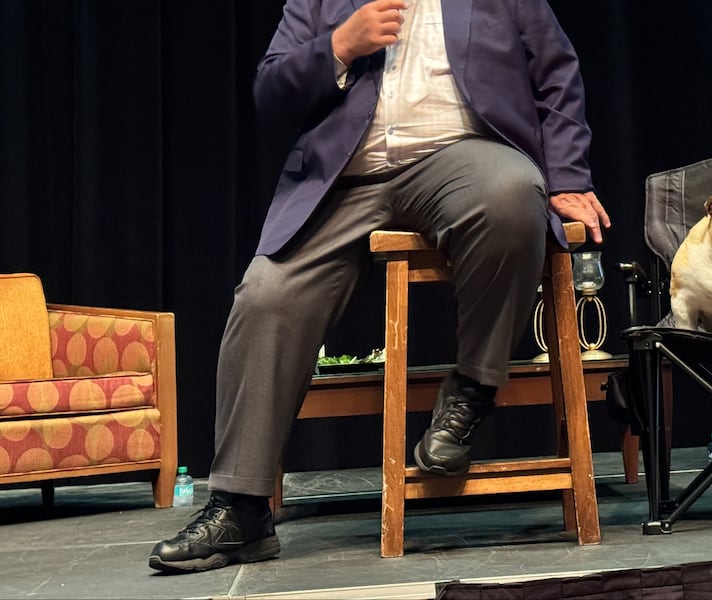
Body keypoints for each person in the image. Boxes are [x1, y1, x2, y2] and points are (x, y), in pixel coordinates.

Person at [148, 0, 610, 573]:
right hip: (348, 177)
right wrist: (339, 45)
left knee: (515, 194)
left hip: (461, 157)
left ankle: (469, 393)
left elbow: (557, 74)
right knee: (267, 294)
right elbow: (270, 93)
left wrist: (567, 176)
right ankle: (240, 508)